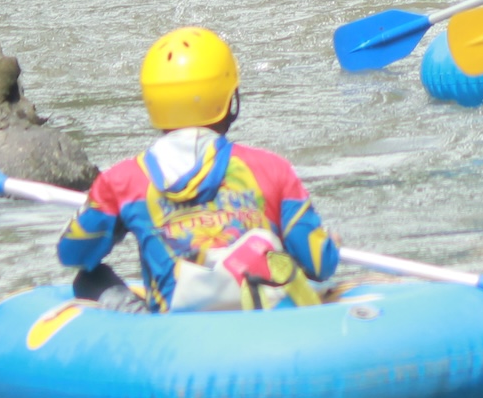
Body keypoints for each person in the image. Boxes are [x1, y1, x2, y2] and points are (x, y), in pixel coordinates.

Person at [58, 27, 342, 312]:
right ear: (229, 99)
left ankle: (141, 318)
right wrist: (332, 244)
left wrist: (117, 221)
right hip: (263, 317)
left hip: (177, 329)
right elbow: (319, 264)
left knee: (90, 279)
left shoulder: (120, 181)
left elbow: (74, 255)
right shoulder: (272, 168)